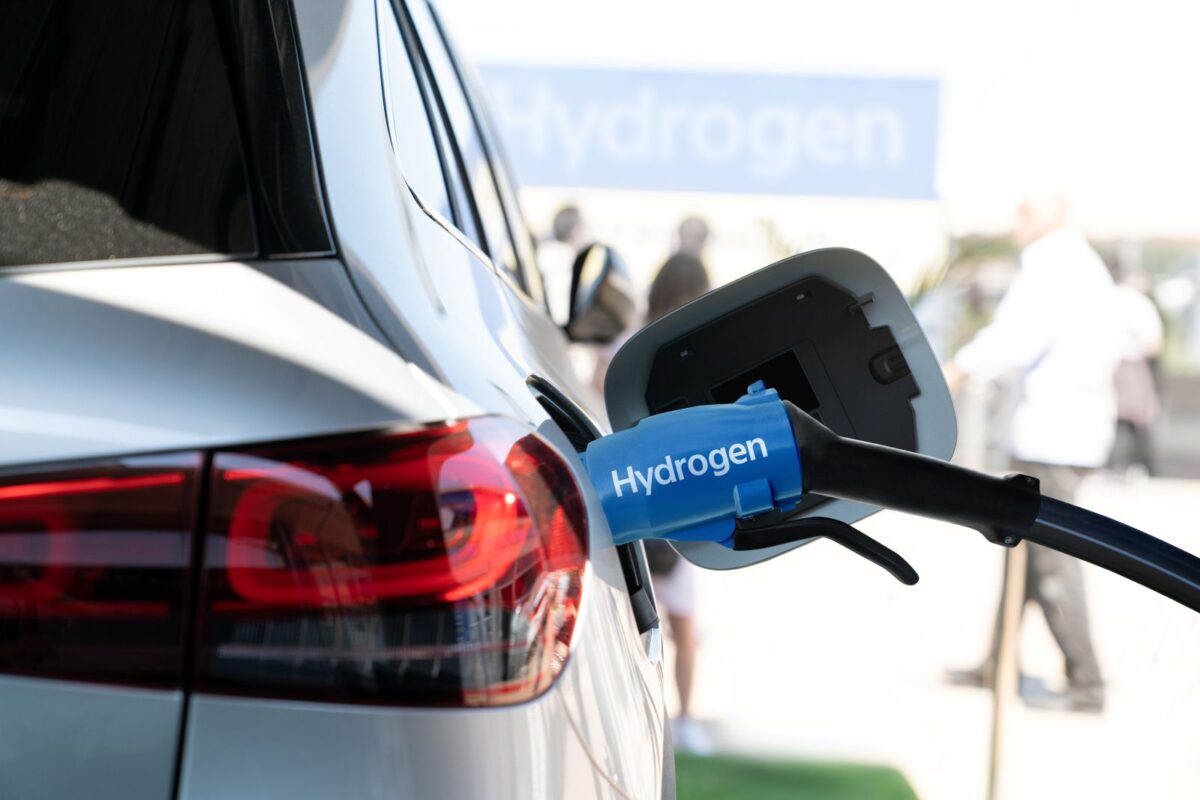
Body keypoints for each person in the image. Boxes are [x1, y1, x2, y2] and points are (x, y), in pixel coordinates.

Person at [945, 191, 1122, 713]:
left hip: (1054, 436)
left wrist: (957, 369)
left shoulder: (1056, 263)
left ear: (1057, 211)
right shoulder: (1076, 262)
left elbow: (1016, 337)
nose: (1016, 217)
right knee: (1021, 552)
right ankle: (998, 662)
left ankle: (1087, 683)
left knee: (1051, 563)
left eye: (1028, 208)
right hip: (1060, 433)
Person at [538, 205, 589, 327]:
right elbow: (560, 315)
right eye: (585, 228)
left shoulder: (544, 253)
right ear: (576, 230)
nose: (588, 234)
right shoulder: (564, 261)